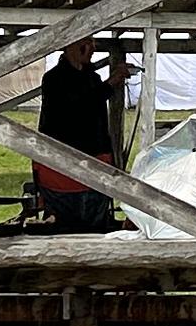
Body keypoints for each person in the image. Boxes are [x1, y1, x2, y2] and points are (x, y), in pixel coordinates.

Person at [28, 39, 124, 232]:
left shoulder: (92, 79)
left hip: (94, 169)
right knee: (63, 231)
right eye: (87, 44)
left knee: (94, 230)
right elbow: (75, 109)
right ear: (72, 46)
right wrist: (110, 84)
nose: (93, 49)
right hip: (60, 171)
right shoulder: (54, 79)